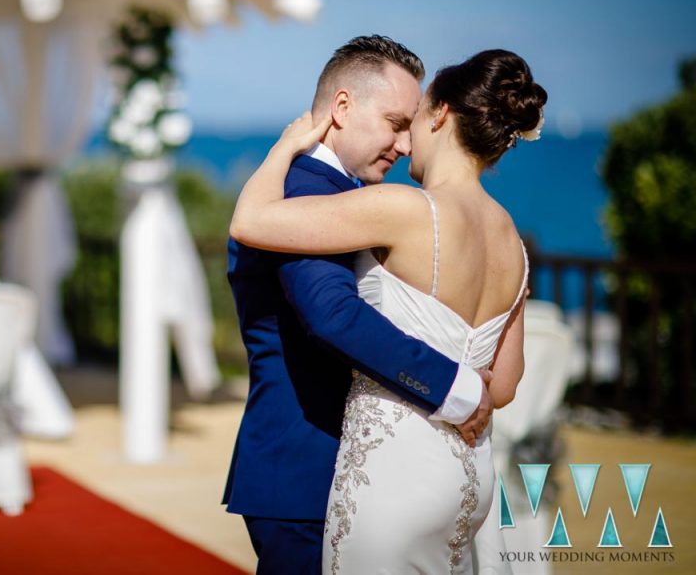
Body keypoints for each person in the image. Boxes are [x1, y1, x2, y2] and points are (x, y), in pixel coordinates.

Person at [231, 48, 546, 573]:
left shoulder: (398, 208)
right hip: (467, 474)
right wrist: (464, 386)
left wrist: (282, 148)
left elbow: (250, 221)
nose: (404, 144)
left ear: (441, 113)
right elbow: (506, 382)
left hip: (390, 471)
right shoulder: (511, 237)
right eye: (396, 124)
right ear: (343, 105)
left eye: (412, 122)